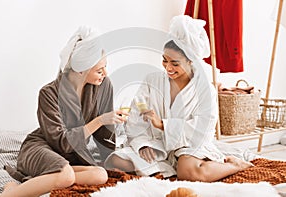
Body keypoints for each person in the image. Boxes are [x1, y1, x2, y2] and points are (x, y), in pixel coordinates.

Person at [105, 15, 253, 182]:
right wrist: (143, 143)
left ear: (191, 61)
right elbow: (135, 117)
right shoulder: (152, 81)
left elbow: (203, 131)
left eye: (175, 63)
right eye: (164, 60)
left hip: (189, 146)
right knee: (115, 161)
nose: (168, 67)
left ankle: (234, 165)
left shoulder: (205, 90)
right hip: (157, 144)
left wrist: (163, 125)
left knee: (188, 171)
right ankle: (167, 167)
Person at [0, 26, 128, 197]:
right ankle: (8, 193)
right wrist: (99, 120)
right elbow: (62, 143)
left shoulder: (103, 85)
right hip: (42, 147)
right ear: (81, 69)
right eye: (99, 70)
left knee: (100, 175)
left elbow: (105, 135)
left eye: (105, 67)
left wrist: (110, 159)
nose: (105, 73)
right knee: (66, 176)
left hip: (69, 157)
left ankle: (46, 179)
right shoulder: (48, 94)